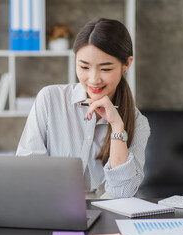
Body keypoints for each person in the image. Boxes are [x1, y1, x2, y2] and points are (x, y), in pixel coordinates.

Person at [16, 18, 150, 199]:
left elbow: (121, 194)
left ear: (126, 64)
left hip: (107, 217)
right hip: (52, 209)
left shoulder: (138, 123)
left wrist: (117, 126)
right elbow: (27, 174)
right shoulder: (50, 99)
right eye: (84, 67)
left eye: (105, 69)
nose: (93, 79)